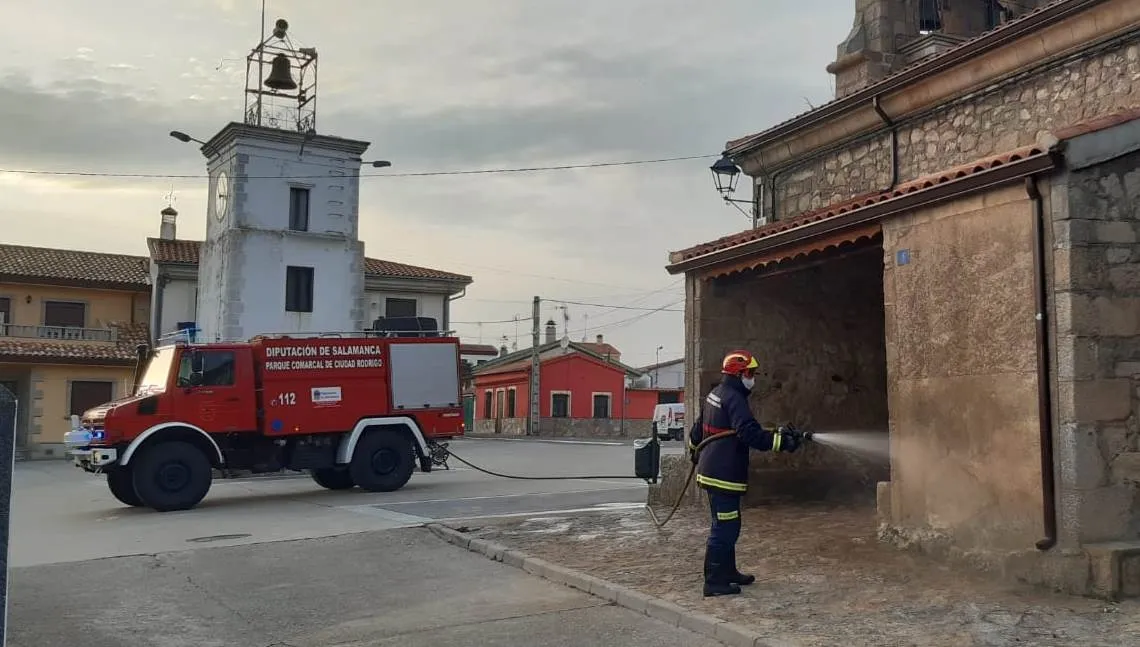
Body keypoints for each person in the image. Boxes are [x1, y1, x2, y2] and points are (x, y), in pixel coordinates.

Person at [687, 350, 804, 597]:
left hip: (712, 472)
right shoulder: (734, 399)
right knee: (725, 528)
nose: (753, 378)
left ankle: (728, 572)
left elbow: (696, 432)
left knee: (727, 524)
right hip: (723, 474)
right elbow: (749, 434)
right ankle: (715, 581)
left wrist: (694, 452)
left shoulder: (715, 394)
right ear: (738, 374)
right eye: (750, 373)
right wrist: (783, 443)